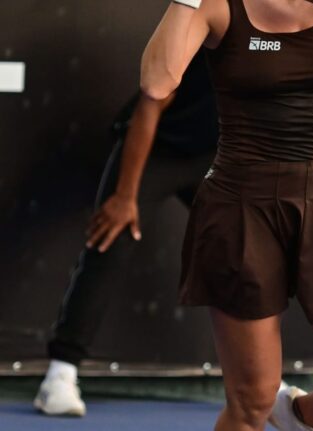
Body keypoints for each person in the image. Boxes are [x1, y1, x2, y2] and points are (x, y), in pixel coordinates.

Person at [142, 0, 313, 430]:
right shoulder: (217, 6)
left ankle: (305, 416)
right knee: (251, 402)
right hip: (241, 209)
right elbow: (157, 82)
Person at [33, 48, 219, 417]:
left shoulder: (289, 39)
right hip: (156, 146)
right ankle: (60, 374)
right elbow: (151, 104)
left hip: (215, 155)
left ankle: (261, 378)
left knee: (246, 250)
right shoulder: (205, 27)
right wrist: (124, 196)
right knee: (112, 237)